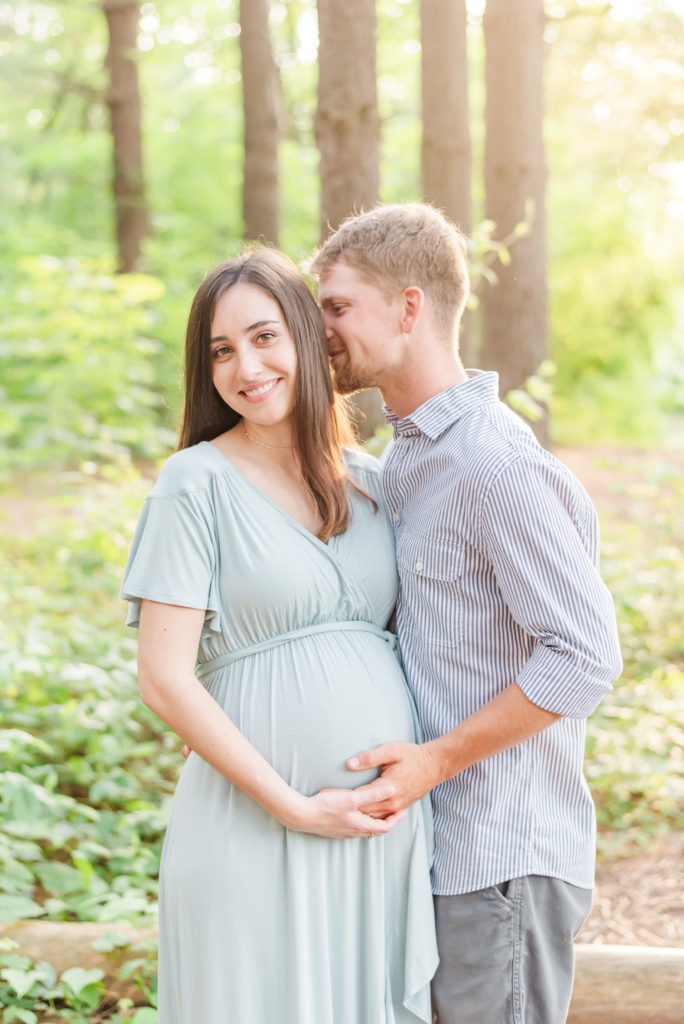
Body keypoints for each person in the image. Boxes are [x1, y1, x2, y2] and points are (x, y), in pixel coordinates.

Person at [310, 203, 623, 1024]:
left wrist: (435, 761)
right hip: (438, 852)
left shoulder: (492, 462)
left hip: (503, 858)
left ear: (410, 307)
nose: (323, 330)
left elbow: (585, 655)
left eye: (337, 306)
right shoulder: (408, 459)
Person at [119, 247, 438, 1024]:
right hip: (250, 829)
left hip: (374, 838)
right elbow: (164, 677)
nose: (246, 366)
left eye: (264, 337)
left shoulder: (373, 480)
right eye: (221, 350)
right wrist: (294, 807)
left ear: (303, 334)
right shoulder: (194, 483)